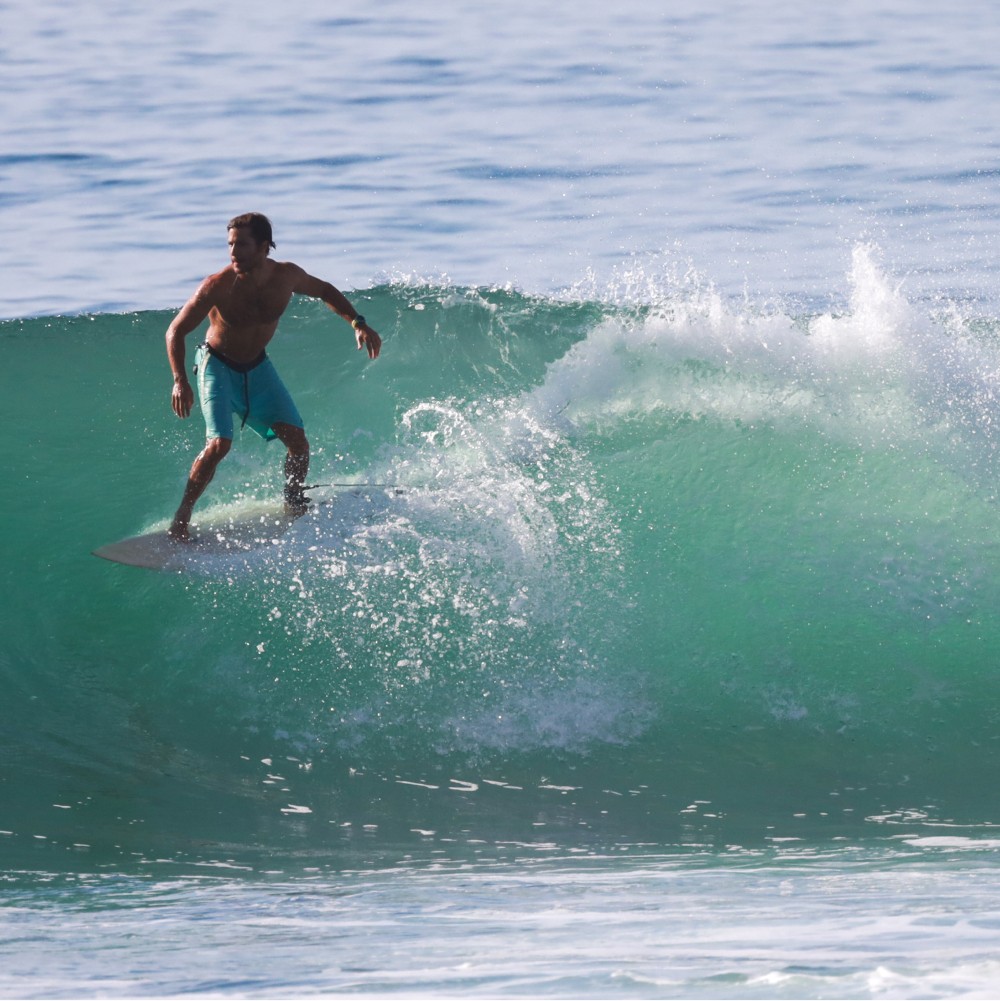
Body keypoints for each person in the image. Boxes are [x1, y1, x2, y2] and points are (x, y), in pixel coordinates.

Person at [165, 212, 381, 540]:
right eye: (230, 245)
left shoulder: (286, 276)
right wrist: (180, 380)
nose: (233, 252)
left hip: (257, 367)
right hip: (216, 365)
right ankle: (182, 517)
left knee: (298, 443)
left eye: (242, 245)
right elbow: (175, 331)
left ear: (264, 246)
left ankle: (293, 499)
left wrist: (358, 322)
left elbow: (324, 290)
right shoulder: (217, 286)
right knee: (219, 443)